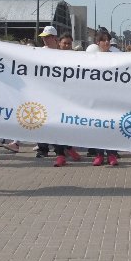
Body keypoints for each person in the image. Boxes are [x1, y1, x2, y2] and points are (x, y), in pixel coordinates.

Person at [53, 31, 82, 167]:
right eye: (64, 43)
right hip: (54, 97)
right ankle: (60, 154)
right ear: (59, 43)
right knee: (55, 126)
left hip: (70, 98)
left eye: (69, 43)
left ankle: (69, 147)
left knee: (69, 126)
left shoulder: (75, 58)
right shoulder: (51, 57)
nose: (66, 45)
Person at [91, 29, 120, 166]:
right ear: (98, 43)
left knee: (112, 126)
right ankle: (99, 155)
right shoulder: (92, 58)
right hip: (97, 98)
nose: (107, 42)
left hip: (112, 97)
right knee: (98, 127)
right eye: (104, 40)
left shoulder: (117, 57)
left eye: (108, 40)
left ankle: (112, 154)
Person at [35, 25, 59, 159]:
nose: (44, 40)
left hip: (58, 93)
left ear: (54, 38)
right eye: (43, 37)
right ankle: (42, 148)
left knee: (56, 121)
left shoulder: (63, 54)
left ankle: (58, 148)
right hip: (43, 92)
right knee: (42, 120)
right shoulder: (39, 52)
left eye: (47, 37)